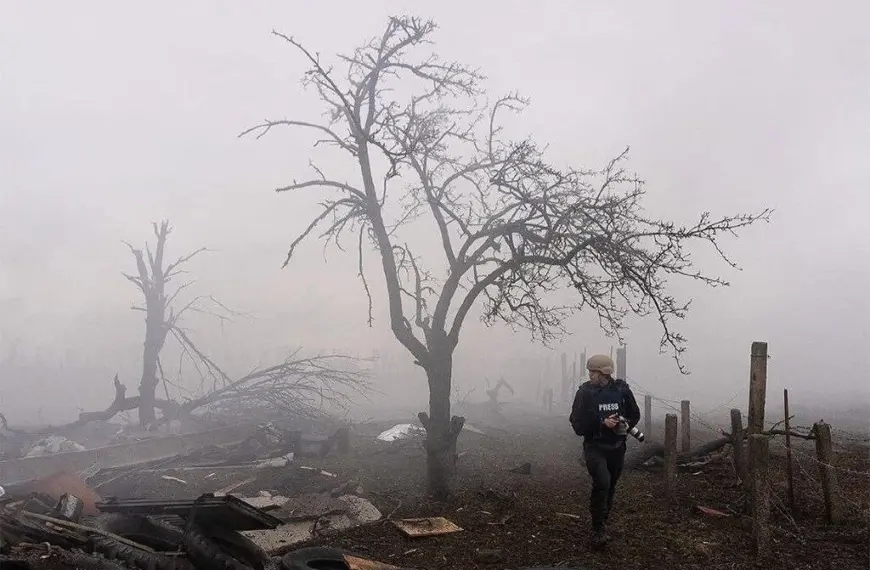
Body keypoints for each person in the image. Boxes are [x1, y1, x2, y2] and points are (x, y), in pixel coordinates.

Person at [569, 354, 641, 548]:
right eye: (590, 371)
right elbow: (576, 424)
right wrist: (601, 423)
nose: (590, 375)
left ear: (605, 373)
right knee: (602, 481)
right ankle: (598, 528)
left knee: (611, 486)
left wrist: (623, 423)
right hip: (594, 446)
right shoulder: (584, 393)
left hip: (617, 447)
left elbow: (635, 414)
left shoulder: (621, 390)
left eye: (594, 372)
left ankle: (603, 519)